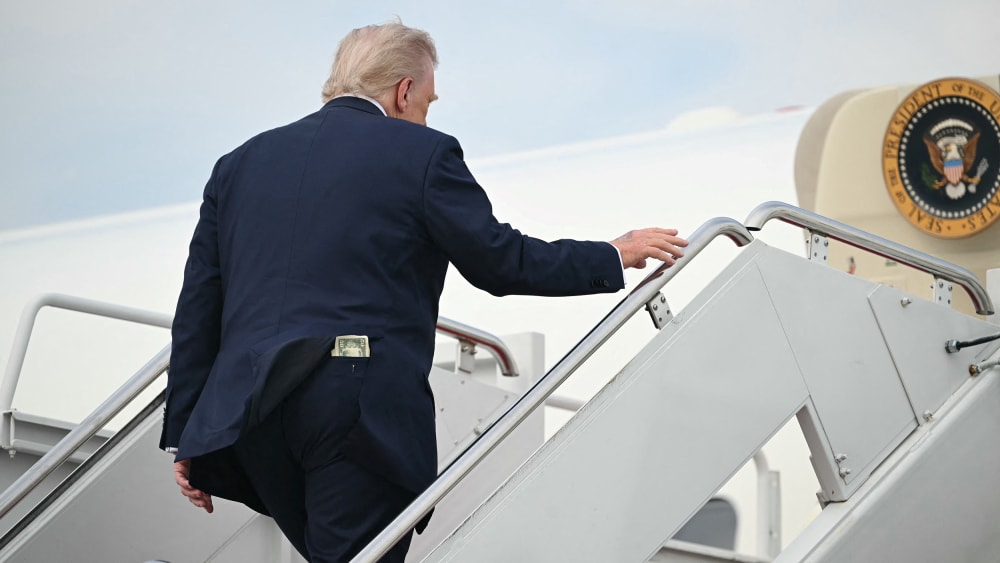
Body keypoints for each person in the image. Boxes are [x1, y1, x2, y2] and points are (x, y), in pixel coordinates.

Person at [160, 20, 688, 563]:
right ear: (404, 91)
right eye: (428, 101)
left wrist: (186, 434)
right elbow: (500, 262)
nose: (425, 114)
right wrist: (611, 254)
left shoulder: (238, 165)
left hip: (248, 417)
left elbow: (199, 305)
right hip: (352, 404)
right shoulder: (421, 153)